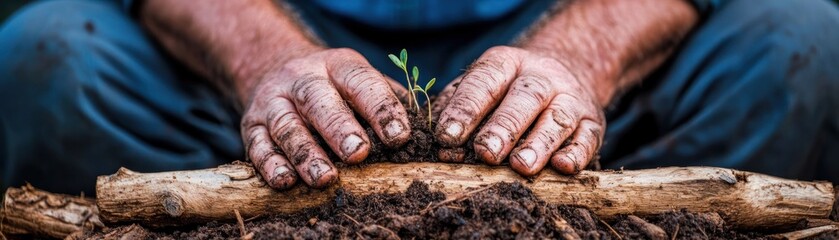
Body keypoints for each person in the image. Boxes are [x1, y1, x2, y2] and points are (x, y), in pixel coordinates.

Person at [1, 0, 837, 194]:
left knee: (809, 45)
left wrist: (582, 57)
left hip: (599, 66)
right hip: (249, 68)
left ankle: (599, 207)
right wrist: (264, 62)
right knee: (46, 54)